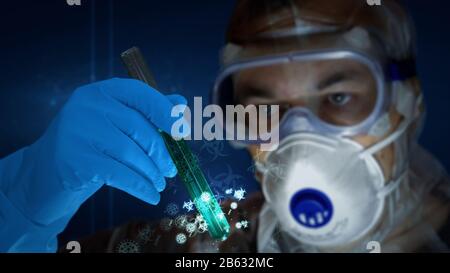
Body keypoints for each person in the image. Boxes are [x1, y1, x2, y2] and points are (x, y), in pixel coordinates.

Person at [1, 0, 449, 253]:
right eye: (264, 108)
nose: (298, 135)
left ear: (406, 103)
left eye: (337, 98)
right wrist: (21, 210)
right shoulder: (208, 244)